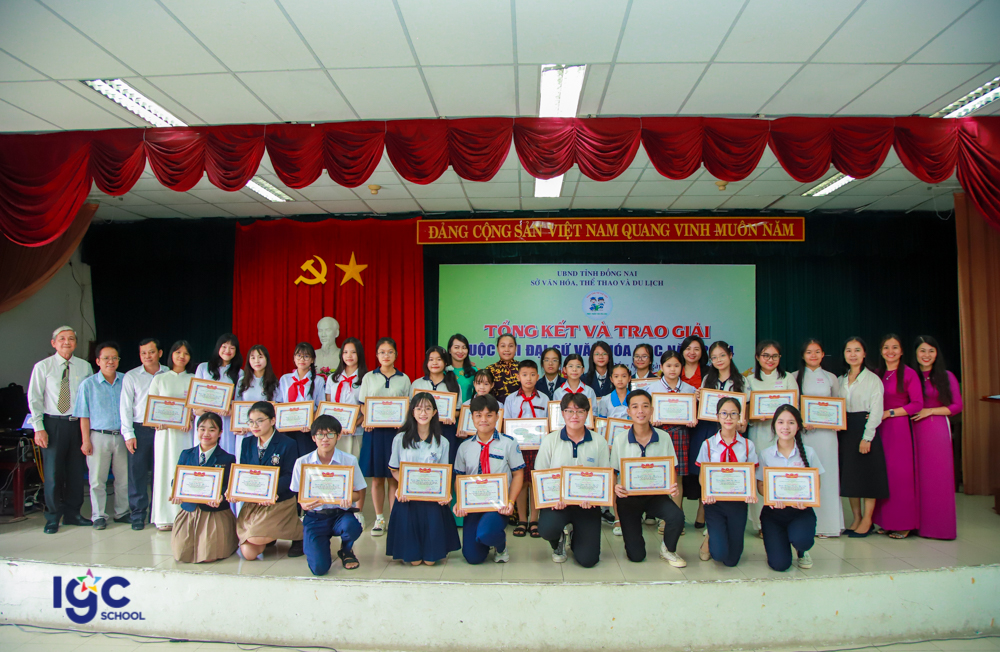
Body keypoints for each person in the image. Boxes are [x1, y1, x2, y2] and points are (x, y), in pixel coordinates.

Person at [611, 390, 687, 567]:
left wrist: (672, 485)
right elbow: (613, 471)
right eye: (635, 407)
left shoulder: (664, 437)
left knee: (677, 516)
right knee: (636, 556)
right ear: (628, 411)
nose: (640, 411)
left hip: (656, 495)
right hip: (629, 498)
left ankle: (668, 549)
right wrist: (615, 486)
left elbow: (671, 467)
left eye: (645, 406)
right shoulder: (620, 439)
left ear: (652, 410)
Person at [28, 326, 92, 533]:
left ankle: (73, 514)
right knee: (53, 473)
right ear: (53, 343)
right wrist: (39, 428)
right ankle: (53, 517)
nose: (67, 342)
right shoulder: (43, 367)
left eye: (71, 339)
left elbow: (89, 398)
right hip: (52, 424)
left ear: (75, 343)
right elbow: (34, 398)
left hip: (77, 424)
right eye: (62, 338)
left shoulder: (84, 367)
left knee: (76, 472)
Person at [535, 393, 611, 567]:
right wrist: (552, 499)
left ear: (587, 414)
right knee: (547, 529)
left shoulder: (599, 442)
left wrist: (594, 499)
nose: (574, 416)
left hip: (587, 505)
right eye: (569, 411)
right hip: (557, 504)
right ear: (562, 413)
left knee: (588, 560)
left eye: (580, 411)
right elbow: (540, 475)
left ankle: (575, 535)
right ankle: (558, 541)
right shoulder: (550, 440)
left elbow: (604, 478)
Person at [386, 393, 460, 565]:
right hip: (408, 498)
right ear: (412, 412)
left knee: (430, 561)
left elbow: (444, 473)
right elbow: (394, 469)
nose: (423, 413)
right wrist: (404, 486)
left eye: (427, 408)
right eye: (419, 408)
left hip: (431, 498)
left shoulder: (443, 442)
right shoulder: (400, 439)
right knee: (414, 561)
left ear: (434, 412)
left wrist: (445, 494)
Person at [290, 415, 366, 575]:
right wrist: (303, 504)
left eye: (330, 434)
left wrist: (349, 498)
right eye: (320, 434)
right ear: (313, 438)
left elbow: (358, 494)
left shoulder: (349, 460)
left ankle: (346, 549)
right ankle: (320, 548)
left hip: (340, 514)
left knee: (351, 527)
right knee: (319, 569)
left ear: (339, 436)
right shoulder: (302, 463)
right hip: (315, 517)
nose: (325, 439)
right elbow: (298, 495)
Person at [453, 394, 524, 564]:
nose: (484, 420)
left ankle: (500, 546)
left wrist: (510, 502)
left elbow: (518, 474)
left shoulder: (509, 443)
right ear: (472, 417)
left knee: (487, 534)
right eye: (478, 415)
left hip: (498, 506)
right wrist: (460, 502)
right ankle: (485, 539)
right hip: (473, 505)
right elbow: (459, 477)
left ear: (497, 416)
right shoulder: (464, 447)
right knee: (473, 558)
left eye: (489, 415)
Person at [689, 340, 747, 531]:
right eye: (714, 357)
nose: (718, 360)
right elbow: (701, 407)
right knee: (707, 471)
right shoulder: (708, 379)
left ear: (730, 355)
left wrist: (742, 423)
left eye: (722, 355)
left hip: (731, 432)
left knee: (727, 473)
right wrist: (698, 399)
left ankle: (719, 518)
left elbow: (745, 411)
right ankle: (704, 511)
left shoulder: (742, 381)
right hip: (708, 429)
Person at [757, 405, 822, 571]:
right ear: (774, 426)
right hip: (774, 514)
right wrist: (772, 498)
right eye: (780, 422)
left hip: (801, 512)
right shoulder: (765, 454)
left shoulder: (809, 453)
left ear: (798, 426)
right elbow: (761, 485)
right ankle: (781, 542)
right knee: (780, 565)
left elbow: (816, 483)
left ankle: (802, 551)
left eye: (791, 422)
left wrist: (806, 500)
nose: (785, 427)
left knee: (802, 540)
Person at [235, 401, 303, 559]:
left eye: (260, 421)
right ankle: (270, 535)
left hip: (278, 501)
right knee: (249, 554)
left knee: (255, 539)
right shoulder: (247, 442)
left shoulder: (288, 443)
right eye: (251, 422)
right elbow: (243, 472)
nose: (254, 426)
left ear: (272, 420)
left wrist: (270, 492)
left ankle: (300, 534)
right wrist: (237, 490)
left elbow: (290, 476)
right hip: (254, 502)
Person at [695, 396, 758, 567]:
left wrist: (750, 492)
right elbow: (702, 475)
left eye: (733, 414)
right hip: (715, 503)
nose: (728, 418)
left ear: (740, 417)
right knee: (719, 554)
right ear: (717, 417)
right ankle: (710, 538)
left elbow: (751, 473)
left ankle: (716, 535)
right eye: (724, 413)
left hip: (738, 503)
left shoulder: (748, 445)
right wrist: (706, 493)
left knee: (731, 561)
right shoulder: (708, 444)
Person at [358, 337, 412, 537]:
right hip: (374, 432)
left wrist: (402, 421)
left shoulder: (404, 378)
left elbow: (408, 405)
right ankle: (379, 518)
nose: (386, 355)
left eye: (390, 352)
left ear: (396, 354)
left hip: (396, 433)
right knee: (377, 478)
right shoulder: (368, 377)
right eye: (382, 352)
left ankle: (394, 519)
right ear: (376, 355)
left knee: (394, 478)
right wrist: (368, 418)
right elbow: (363, 405)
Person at [911, 336, 962, 540]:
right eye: (922, 350)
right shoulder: (910, 375)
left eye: (931, 351)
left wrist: (930, 411)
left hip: (936, 429)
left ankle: (940, 528)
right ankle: (915, 525)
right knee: (916, 478)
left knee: (937, 478)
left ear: (937, 354)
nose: (926, 355)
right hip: (912, 430)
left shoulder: (946, 376)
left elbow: (957, 406)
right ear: (915, 353)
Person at [791, 339, 844, 538]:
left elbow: (838, 405)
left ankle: (829, 525)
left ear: (823, 354)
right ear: (802, 355)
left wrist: (836, 421)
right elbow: (791, 406)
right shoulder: (794, 377)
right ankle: (804, 524)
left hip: (827, 436)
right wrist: (801, 422)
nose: (813, 355)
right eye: (809, 352)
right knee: (806, 477)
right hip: (804, 436)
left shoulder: (831, 378)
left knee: (827, 477)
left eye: (817, 352)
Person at [170, 412, 238, 563]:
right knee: (181, 554)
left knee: (208, 555)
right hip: (190, 510)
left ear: (220, 433)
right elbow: (177, 480)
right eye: (202, 429)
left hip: (214, 512)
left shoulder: (227, 458)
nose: (206, 434)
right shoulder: (186, 454)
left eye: (212, 430)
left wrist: (220, 496)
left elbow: (229, 486)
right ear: (197, 430)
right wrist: (176, 492)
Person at [873, 334, 923, 539]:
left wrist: (890, 413)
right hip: (879, 428)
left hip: (899, 428)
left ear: (902, 351)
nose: (890, 351)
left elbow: (917, 404)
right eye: (886, 347)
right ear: (881, 351)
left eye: (895, 347)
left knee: (900, 476)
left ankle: (904, 524)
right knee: (882, 475)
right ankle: (886, 522)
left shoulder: (909, 374)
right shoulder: (878, 374)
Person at [746, 340, 798, 533]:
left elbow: (795, 407)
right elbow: (745, 410)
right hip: (759, 433)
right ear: (757, 357)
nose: (770, 359)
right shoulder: (749, 380)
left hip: (783, 436)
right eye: (765, 355)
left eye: (774, 356)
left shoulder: (787, 378)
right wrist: (754, 415)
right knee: (761, 476)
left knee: (782, 476)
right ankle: (762, 524)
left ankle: (785, 520)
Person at [73, 342, 126, 531]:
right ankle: (99, 516)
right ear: (97, 361)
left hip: (122, 436)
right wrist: (85, 440)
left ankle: (122, 512)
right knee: (97, 480)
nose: (110, 361)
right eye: (106, 358)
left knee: (123, 478)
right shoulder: (88, 385)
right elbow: (83, 416)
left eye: (114, 358)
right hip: (98, 436)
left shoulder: (126, 380)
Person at [837, 337, 887, 538]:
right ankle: (856, 517)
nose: (853, 354)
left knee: (868, 476)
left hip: (864, 430)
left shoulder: (873, 380)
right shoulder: (840, 380)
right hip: (845, 431)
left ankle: (867, 519)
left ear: (864, 353)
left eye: (857, 350)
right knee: (851, 476)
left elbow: (876, 411)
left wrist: (867, 437)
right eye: (848, 350)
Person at [147, 341, 195, 530]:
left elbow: (197, 406)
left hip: (187, 434)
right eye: (178, 352)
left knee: (184, 470)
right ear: (171, 355)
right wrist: (156, 420)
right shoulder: (160, 379)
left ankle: (185, 516)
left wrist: (190, 417)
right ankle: (164, 517)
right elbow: (151, 408)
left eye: (186, 353)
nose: (181, 356)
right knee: (165, 469)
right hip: (165, 435)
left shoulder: (193, 379)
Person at [119, 338, 165, 530]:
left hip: (163, 429)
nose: (147, 356)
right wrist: (128, 434)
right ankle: (138, 514)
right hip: (139, 429)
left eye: (151, 352)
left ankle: (158, 512)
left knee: (160, 472)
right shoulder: (131, 376)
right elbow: (125, 407)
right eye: (143, 353)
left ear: (160, 353)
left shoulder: (168, 373)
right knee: (137, 473)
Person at [325, 337, 368, 523]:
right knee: (336, 470)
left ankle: (358, 511)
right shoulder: (332, 378)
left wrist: (355, 424)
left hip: (355, 432)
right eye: (345, 352)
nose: (349, 356)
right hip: (335, 434)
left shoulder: (366, 378)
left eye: (353, 352)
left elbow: (368, 408)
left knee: (355, 471)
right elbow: (328, 405)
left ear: (359, 354)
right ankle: (336, 508)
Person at [502, 359, 547, 538]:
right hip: (517, 448)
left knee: (535, 482)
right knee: (520, 482)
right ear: (518, 376)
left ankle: (534, 520)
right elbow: (506, 424)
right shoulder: (510, 399)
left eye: (532, 375)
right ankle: (522, 519)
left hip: (538, 448)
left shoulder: (544, 398)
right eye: (525, 375)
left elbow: (549, 423)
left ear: (538, 376)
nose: (529, 378)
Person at [651, 351, 698, 518]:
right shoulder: (652, 389)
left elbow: (694, 413)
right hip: (659, 433)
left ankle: (677, 517)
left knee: (677, 478)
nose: (672, 369)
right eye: (668, 365)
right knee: (660, 475)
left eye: (676, 365)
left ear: (682, 367)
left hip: (680, 434)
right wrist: (652, 419)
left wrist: (692, 419)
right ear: (661, 367)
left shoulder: (689, 389)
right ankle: (663, 518)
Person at [412, 345, 463, 464]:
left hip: (445, 429)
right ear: (426, 363)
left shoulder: (454, 385)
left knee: (446, 465)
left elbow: (458, 410)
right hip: (422, 430)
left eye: (439, 359)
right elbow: (412, 409)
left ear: (445, 362)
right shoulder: (417, 384)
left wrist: (451, 416)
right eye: (431, 359)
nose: (435, 363)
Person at [192, 334, 243, 455]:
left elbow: (239, 401)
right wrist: (197, 410)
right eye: (224, 346)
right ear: (218, 347)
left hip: (224, 419)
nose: (227, 350)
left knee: (224, 454)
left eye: (232, 348)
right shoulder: (203, 367)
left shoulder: (239, 373)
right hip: (204, 417)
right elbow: (195, 396)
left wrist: (229, 410)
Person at [277, 342, 325, 458]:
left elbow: (320, 406)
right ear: (294, 358)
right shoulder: (285, 379)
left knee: (305, 459)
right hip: (286, 428)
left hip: (307, 430)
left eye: (306, 356)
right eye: (299, 356)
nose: (302, 359)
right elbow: (279, 403)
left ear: (312, 360)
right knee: (288, 460)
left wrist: (311, 424)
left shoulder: (318, 381)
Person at [236, 344, 280, 465]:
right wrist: (238, 426)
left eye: (260, 357)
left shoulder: (273, 382)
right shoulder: (242, 381)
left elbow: (276, 407)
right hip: (245, 430)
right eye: (253, 357)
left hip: (265, 431)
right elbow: (236, 406)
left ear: (266, 359)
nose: (257, 361)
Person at [485, 333, 520, 401]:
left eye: (510, 346)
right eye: (503, 346)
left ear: (516, 348)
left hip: (519, 407)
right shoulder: (490, 370)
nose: (507, 349)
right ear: (497, 348)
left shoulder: (522, 368)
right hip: (495, 407)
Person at [447, 334, 478, 404]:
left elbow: (479, 395)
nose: (460, 351)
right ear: (449, 350)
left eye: (464, 348)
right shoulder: (443, 371)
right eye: (456, 347)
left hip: (467, 409)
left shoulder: (473, 371)